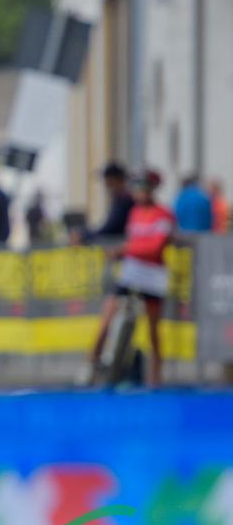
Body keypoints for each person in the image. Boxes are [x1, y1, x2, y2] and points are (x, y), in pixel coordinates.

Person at [87, 171, 174, 388]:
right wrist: (128, 250)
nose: (140, 193)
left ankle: (156, 378)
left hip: (152, 276)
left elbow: (155, 248)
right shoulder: (134, 213)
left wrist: (126, 250)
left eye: (144, 188)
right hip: (131, 273)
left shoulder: (164, 214)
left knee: (153, 330)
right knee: (107, 317)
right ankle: (92, 367)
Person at [90, 161, 134, 240]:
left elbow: (110, 228)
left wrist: (86, 235)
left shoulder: (124, 200)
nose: (106, 185)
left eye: (109, 181)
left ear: (119, 180)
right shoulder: (120, 199)